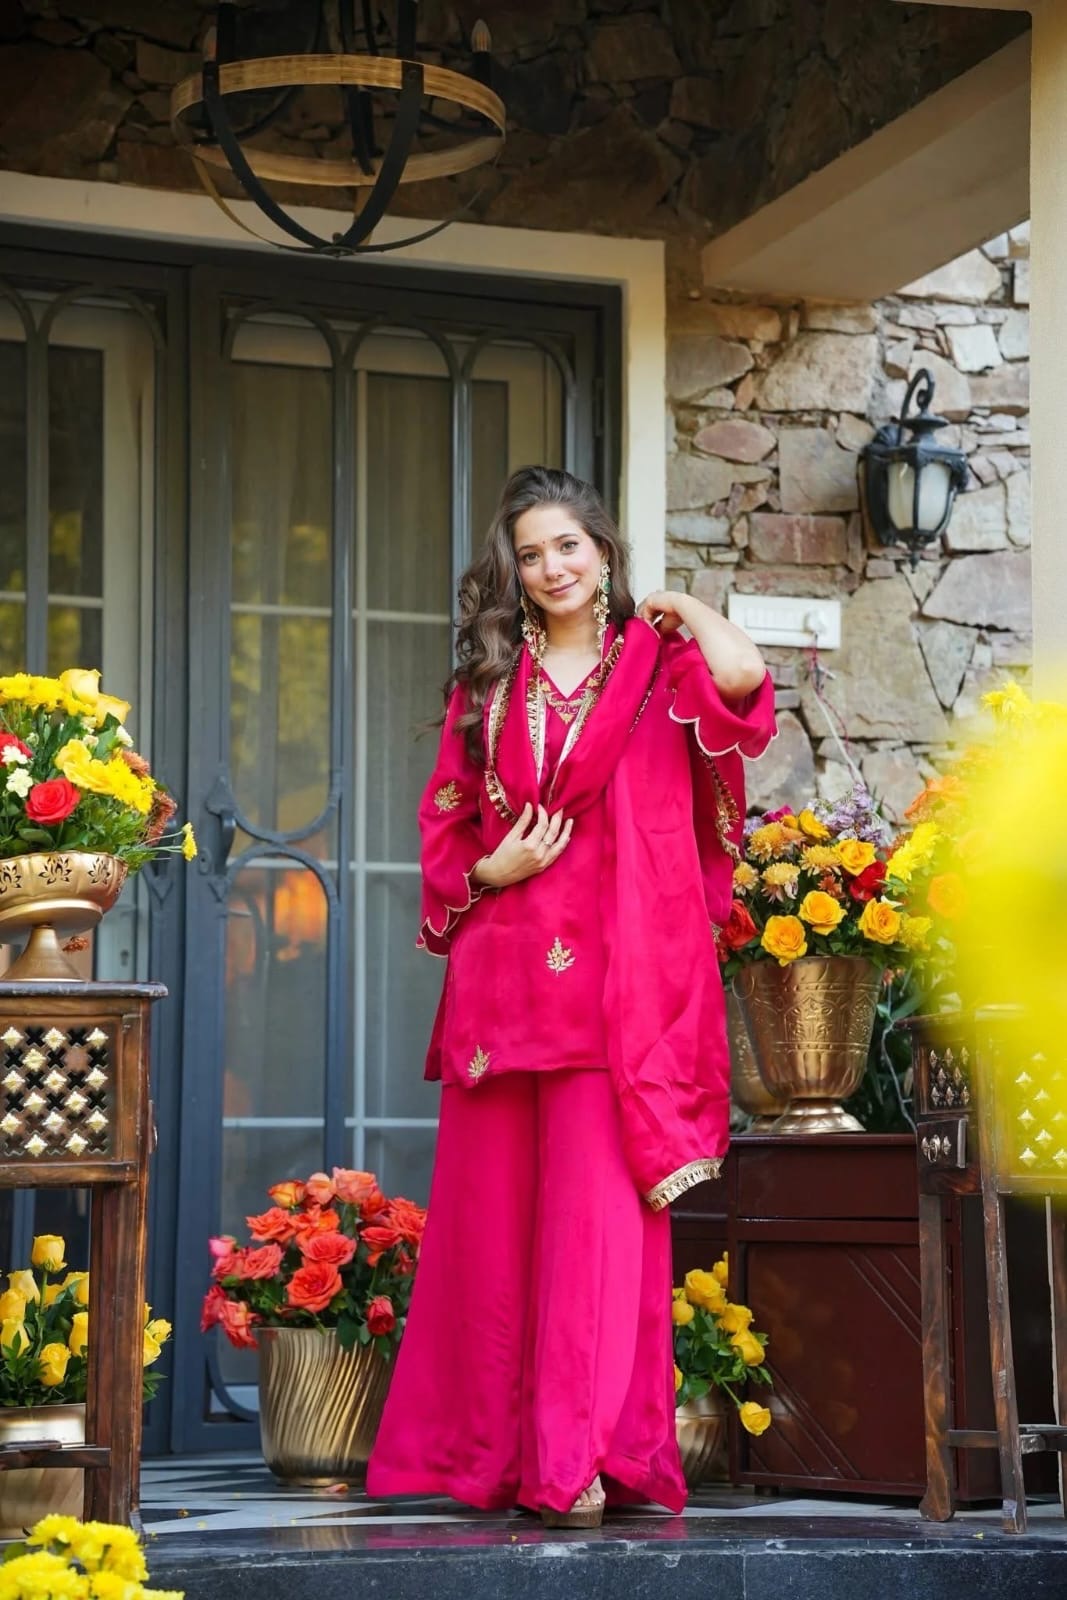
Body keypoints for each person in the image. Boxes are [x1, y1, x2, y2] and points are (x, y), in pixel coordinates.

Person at [366, 466, 775, 1528]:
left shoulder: (656, 663)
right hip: (505, 982)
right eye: (531, 553)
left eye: (568, 547)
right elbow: (447, 825)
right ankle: (498, 1457)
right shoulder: (488, 682)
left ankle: (580, 1458)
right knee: (491, 1237)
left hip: (618, 986)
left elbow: (745, 680)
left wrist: (680, 604)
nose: (550, 569)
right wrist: (484, 875)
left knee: (596, 1234)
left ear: (601, 550)